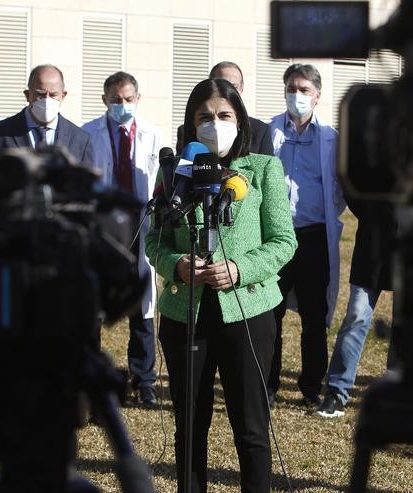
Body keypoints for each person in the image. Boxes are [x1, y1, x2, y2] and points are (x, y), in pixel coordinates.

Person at [146, 78, 296, 493]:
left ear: (240, 120)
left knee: (250, 428)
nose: (215, 124)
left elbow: (284, 241)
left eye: (224, 115)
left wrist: (240, 268)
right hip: (185, 315)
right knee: (189, 428)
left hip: (248, 312)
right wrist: (176, 265)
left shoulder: (264, 169)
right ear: (191, 125)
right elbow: (154, 239)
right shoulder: (173, 173)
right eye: (204, 117)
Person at [268, 63, 345, 408]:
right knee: (271, 312)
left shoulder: (331, 139)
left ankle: (312, 383)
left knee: (315, 317)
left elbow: (340, 189)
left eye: (303, 90)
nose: (296, 96)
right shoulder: (269, 132)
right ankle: (268, 383)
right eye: (291, 89)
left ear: (317, 95)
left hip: (313, 237)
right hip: (274, 236)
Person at [81, 71, 160, 405]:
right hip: (102, 230)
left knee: (142, 306)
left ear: (138, 99)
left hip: (141, 226)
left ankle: (144, 380)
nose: (123, 105)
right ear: (105, 101)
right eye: (116, 100)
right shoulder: (88, 135)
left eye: (129, 99)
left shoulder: (153, 136)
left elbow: (158, 183)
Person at [315, 198, 395, 418]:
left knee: (407, 322)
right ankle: (336, 393)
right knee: (357, 315)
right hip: (373, 240)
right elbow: (352, 181)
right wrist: (370, 211)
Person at [0, 64, 94, 164]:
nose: (46, 100)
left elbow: (87, 184)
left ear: (62, 96)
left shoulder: (80, 139)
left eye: (53, 94)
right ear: (27, 95)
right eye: (40, 94)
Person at [175, 61, 273, 155]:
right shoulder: (186, 134)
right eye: (205, 117)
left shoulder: (260, 131)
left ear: (242, 88)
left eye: (233, 86)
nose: (215, 125)